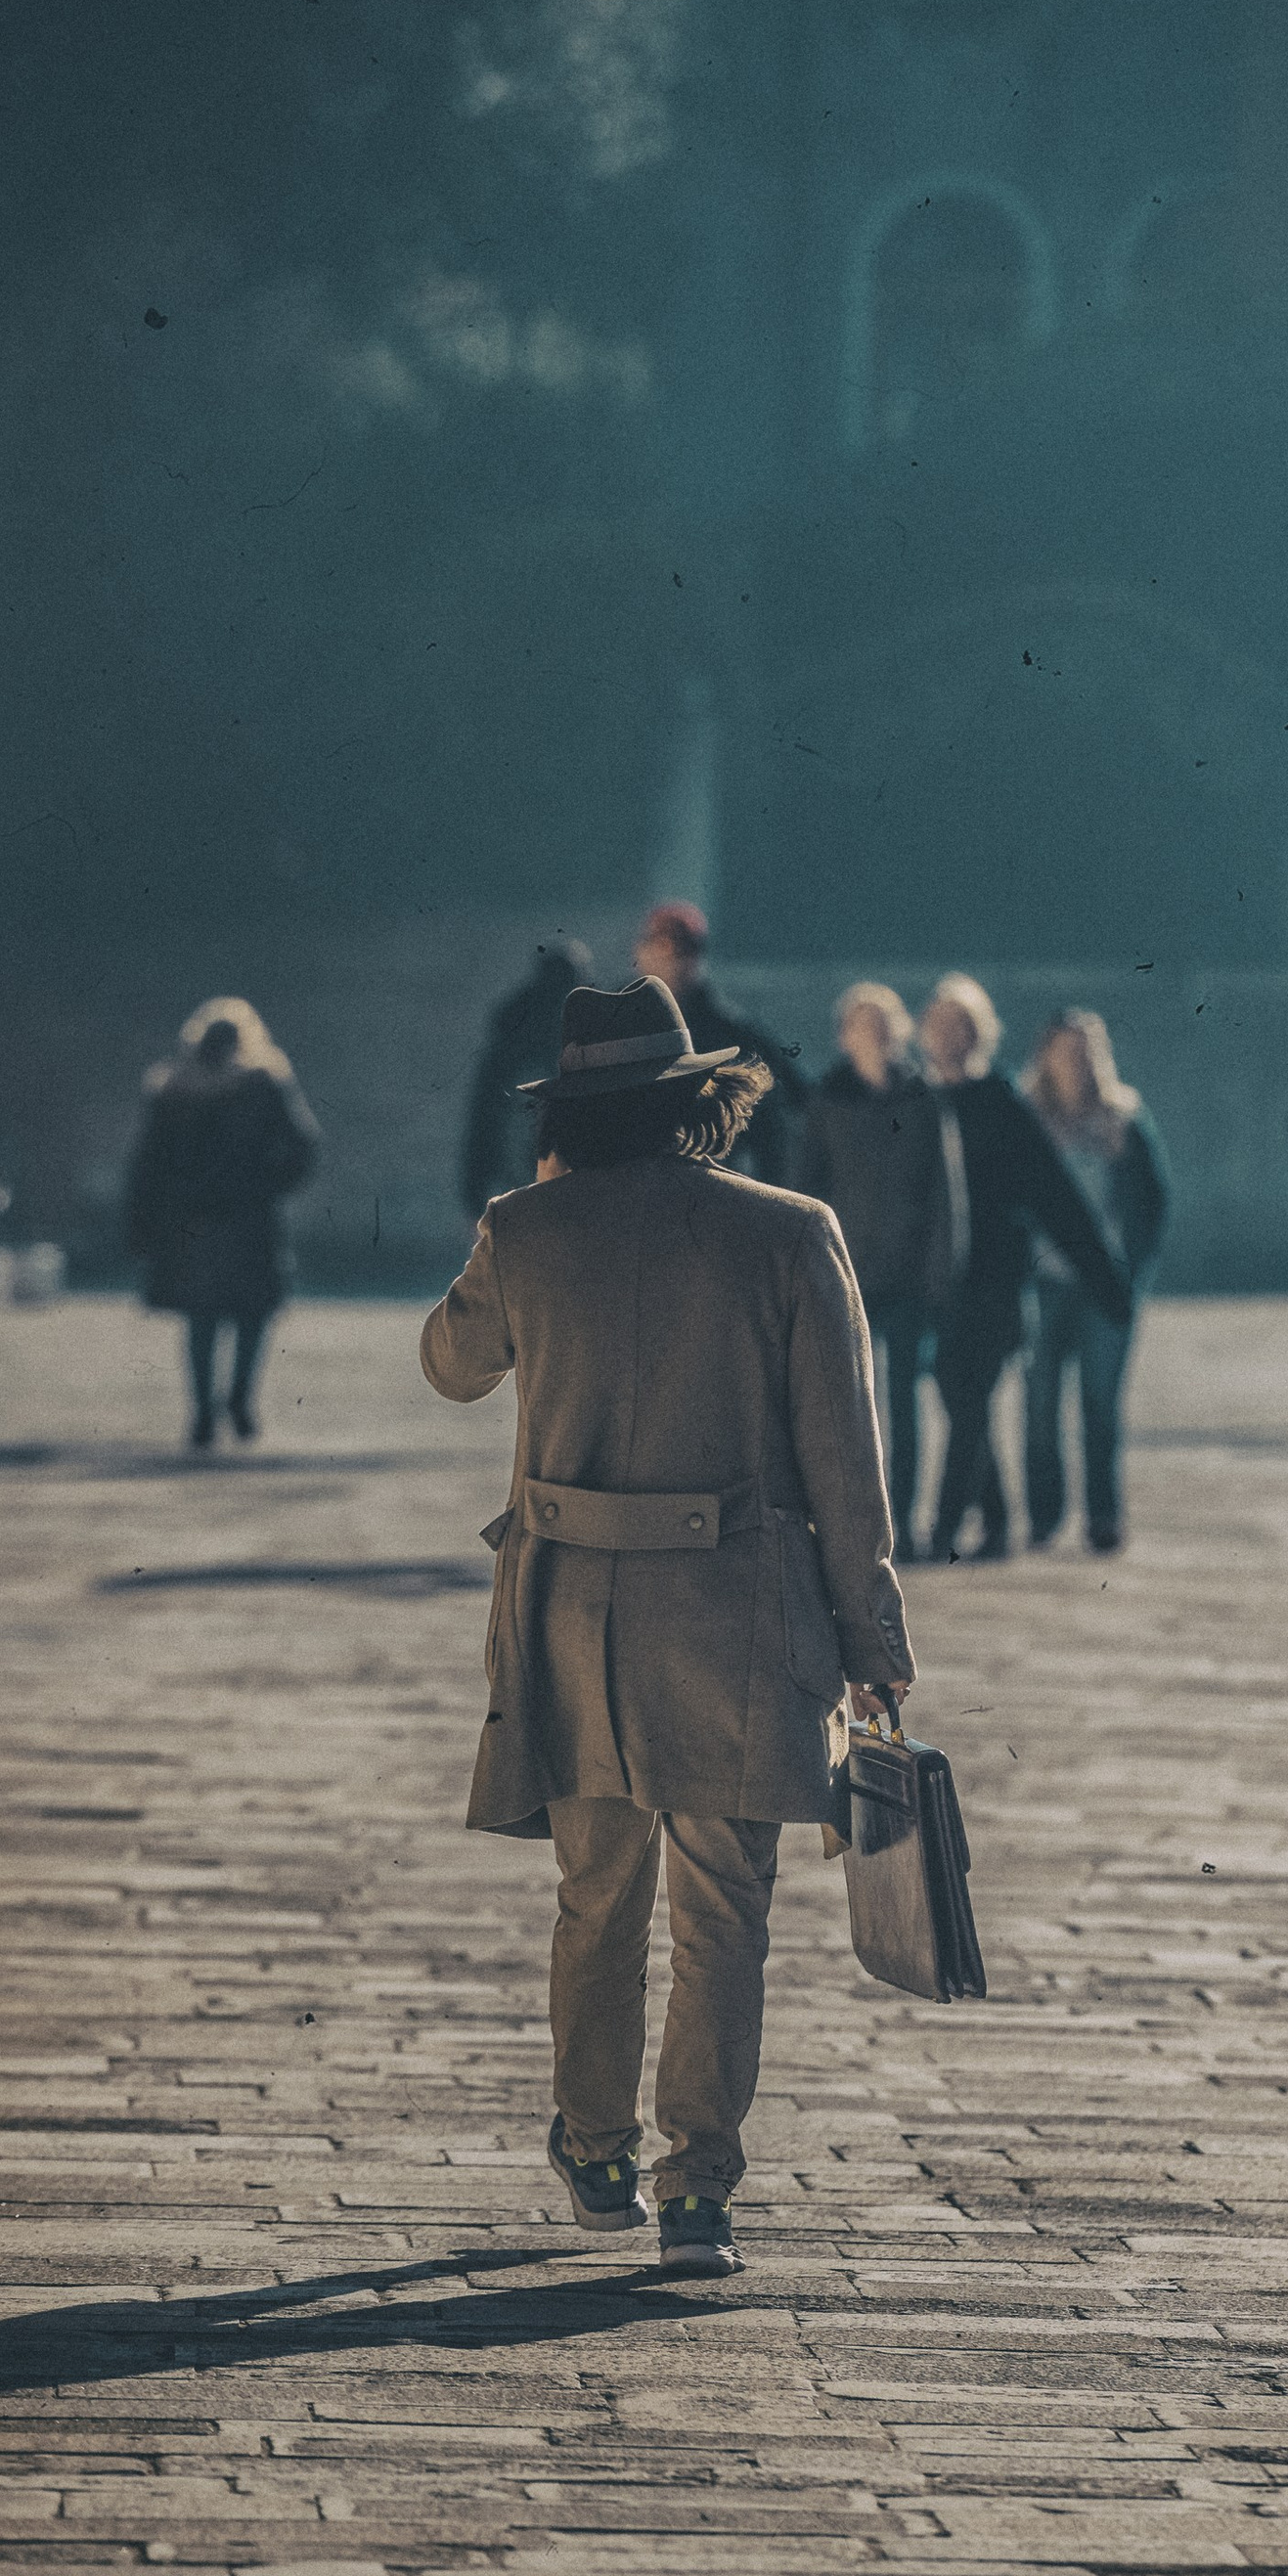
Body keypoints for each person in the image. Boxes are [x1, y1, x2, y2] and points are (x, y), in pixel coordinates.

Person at [421, 975, 913, 2278]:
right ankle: (698, 2188)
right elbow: (845, 1465)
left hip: (573, 1617)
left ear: (572, 1110)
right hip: (741, 1614)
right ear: (695, 1102)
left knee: (594, 1899)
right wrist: (876, 1650)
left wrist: (519, 1216)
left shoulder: (524, 1231)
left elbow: (449, 1365)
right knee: (724, 1912)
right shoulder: (791, 1233)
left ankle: (593, 2150)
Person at [917, 973, 1133, 1563]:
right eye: (939, 1025)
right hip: (936, 1283)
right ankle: (997, 1517)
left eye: (961, 1026)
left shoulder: (1003, 1104)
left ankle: (940, 1532)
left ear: (980, 1034)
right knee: (958, 1398)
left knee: (970, 1398)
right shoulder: (917, 1101)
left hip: (994, 1281)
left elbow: (1055, 1195)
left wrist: (1103, 1273)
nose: (948, 1037)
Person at [124, 999, 319, 1449]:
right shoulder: (263, 1083)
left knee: (203, 1318)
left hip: (192, 1221)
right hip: (248, 1216)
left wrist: (143, 1223)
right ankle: (237, 1402)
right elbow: (302, 1146)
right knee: (250, 1314)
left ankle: (205, 1412)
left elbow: (147, 1165)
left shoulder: (172, 1089)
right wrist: (269, 1182)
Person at [797, 983, 949, 1544]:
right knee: (851, 1414)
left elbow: (942, 1193)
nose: (874, 1035)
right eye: (863, 1024)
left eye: (883, 1023)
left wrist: (938, 1273)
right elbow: (805, 1190)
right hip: (846, 1276)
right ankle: (860, 1527)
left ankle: (904, 1520)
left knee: (906, 1409)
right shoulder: (826, 1100)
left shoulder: (922, 1098)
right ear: (844, 1036)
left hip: (908, 1277)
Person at [1021, 1008, 1171, 1551]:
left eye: (1085, 1050)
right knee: (1039, 1405)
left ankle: (1104, 1518)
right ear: (1047, 1055)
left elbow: (1155, 1203)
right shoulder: (1029, 1117)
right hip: (1043, 1281)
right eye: (1065, 1050)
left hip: (1105, 1285)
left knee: (1100, 1407)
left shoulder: (1125, 1118)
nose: (1075, 1061)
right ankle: (1043, 1515)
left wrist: (1133, 1270)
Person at [632, 899, 806, 1185]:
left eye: (680, 953)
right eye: (661, 949)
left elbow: (780, 1118)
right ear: (640, 951)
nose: (671, 963)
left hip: (708, 1189)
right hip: (628, 1188)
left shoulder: (736, 1039)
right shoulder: (610, 1024)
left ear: (697, 960)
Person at [461, 936, 592, 1214]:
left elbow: (482, 1123)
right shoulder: (590, 1038)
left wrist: (473, 1200)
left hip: (522, 1193)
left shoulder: (508, 1046)